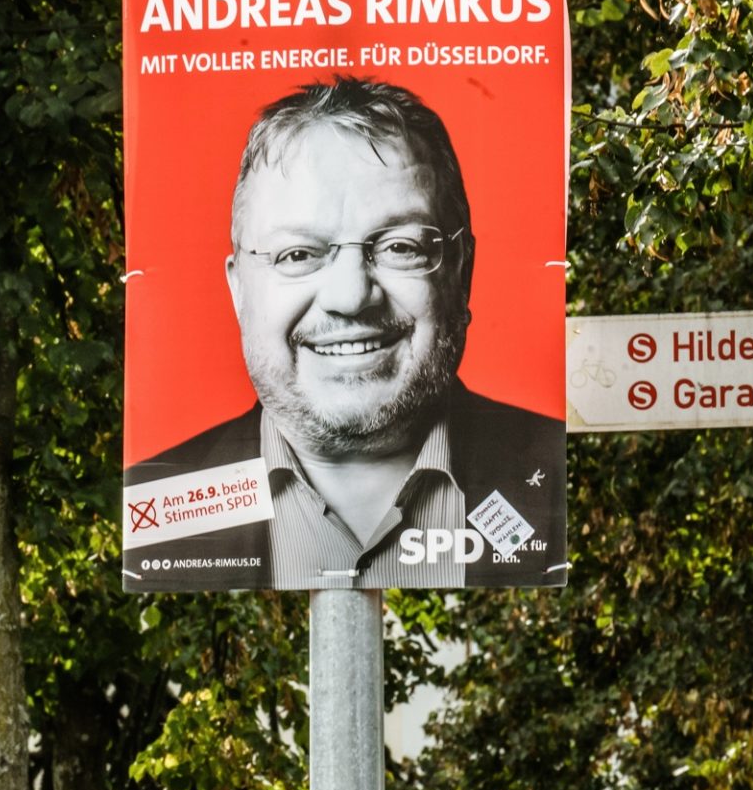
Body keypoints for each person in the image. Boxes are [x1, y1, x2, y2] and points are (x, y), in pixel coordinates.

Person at [126, 76, 564, 589]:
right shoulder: (154, 517)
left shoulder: (559, 483)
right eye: (299, 255)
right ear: (239, 290)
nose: (351, 297)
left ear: (460, 272)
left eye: (401, 247)